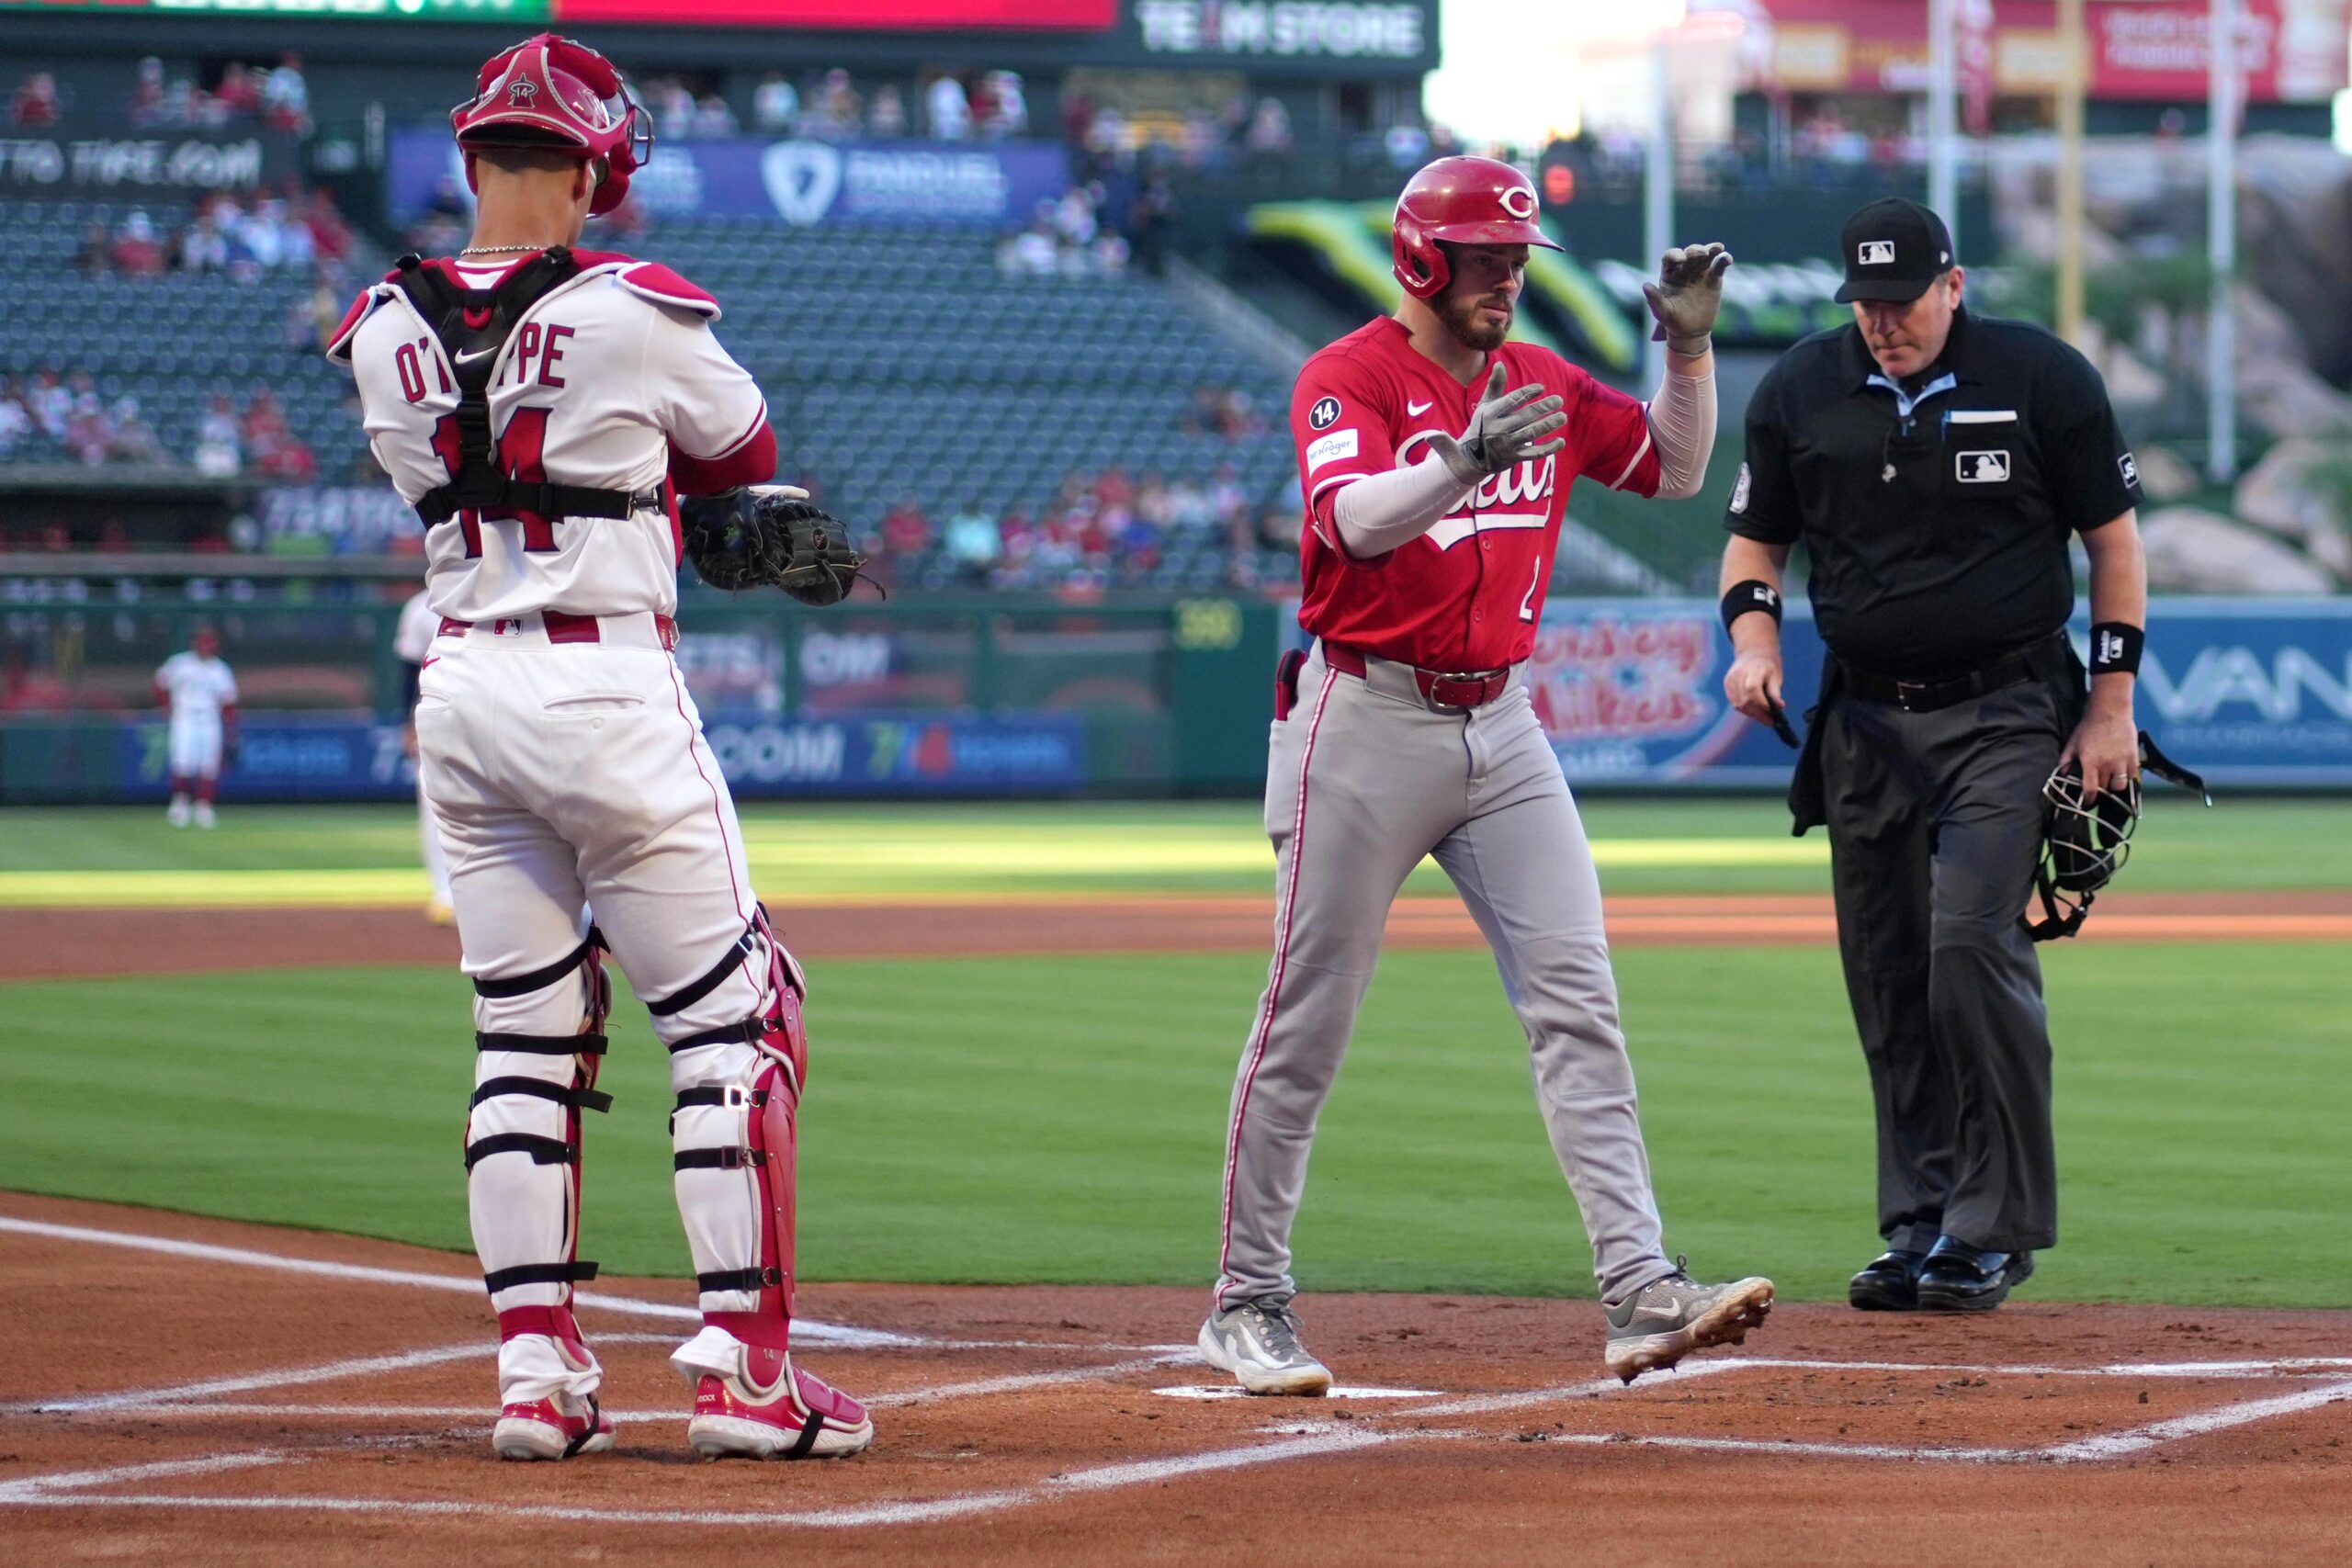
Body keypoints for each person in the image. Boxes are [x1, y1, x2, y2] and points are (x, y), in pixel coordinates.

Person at [327, 31, 870, 1463]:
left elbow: (490, 477)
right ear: (589, 164)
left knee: (523, 1030)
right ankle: (745, 1373)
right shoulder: (637, 306)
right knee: (738, 1022)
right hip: (607, 688)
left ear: (471, 154)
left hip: (463, 688)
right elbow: (748, 456)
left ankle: (536, 1376)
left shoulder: (377, 324)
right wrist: (661, 496)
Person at [1202, 155, 1772, 1395]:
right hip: (1364, 717)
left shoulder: (1540, 376)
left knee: (1579, 998)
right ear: (1421, 260)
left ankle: (1639, 1286)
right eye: (1487, 258)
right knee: (1307, 1019)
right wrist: (1461, 458)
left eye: (1519, 259)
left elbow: (1671, 471)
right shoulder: (1344, 375)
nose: (1508, 277)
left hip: (1503, 722)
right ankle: (1247, 1301)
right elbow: (1350, 521)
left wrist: (1684, 358)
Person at [1719, 198, 2148, 1314]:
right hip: (1862, 724)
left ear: (1951, 285)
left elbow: (2113, 544)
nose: (1880, 323)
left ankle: (1991, 1228)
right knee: (1888, 970)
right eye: (1862, 302)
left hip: (2006, 709)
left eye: (1899, 299)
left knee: (1969, 945)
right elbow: (1754, 542)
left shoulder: (2043, 377)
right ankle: (1918, 1219)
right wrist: (1753, 638)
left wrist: (2110, 708)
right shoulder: (1798, 391)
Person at [393, 584, 455, 925]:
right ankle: (443, 892)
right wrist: (407, 723)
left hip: (488, 710)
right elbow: (407, 670)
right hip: (434, 712)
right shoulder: (421, 607)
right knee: (432, 805)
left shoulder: (503, 591)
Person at [156, 626, 237, 829]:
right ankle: (180, 804)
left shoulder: (220, 669)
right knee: (182, 762)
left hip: (209, 718)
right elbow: (160, 684)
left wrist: (230, 727)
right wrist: (166, 708)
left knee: (209, 765)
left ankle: (204, 807)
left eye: (209, 646)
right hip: (185, 716)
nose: (206, 650)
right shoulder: (180, 663)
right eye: (203, 646)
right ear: (195, 645)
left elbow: (228, 701)